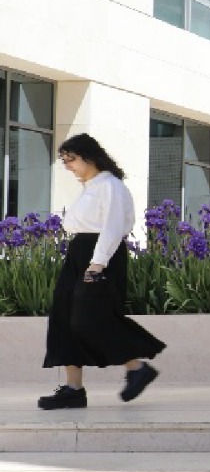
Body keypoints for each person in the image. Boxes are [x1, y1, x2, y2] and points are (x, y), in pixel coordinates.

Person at [38, 134, 164, 410]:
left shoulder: (111, 186)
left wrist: (97, 264)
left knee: (90, 317)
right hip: (79, 254)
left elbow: (113, 227)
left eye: (70, 159)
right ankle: (73, 389)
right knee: (64, 317)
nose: (67, 166)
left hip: (99, 256)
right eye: (64, 160)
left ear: (88, 157)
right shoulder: (90, 187)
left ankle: (136, 367)